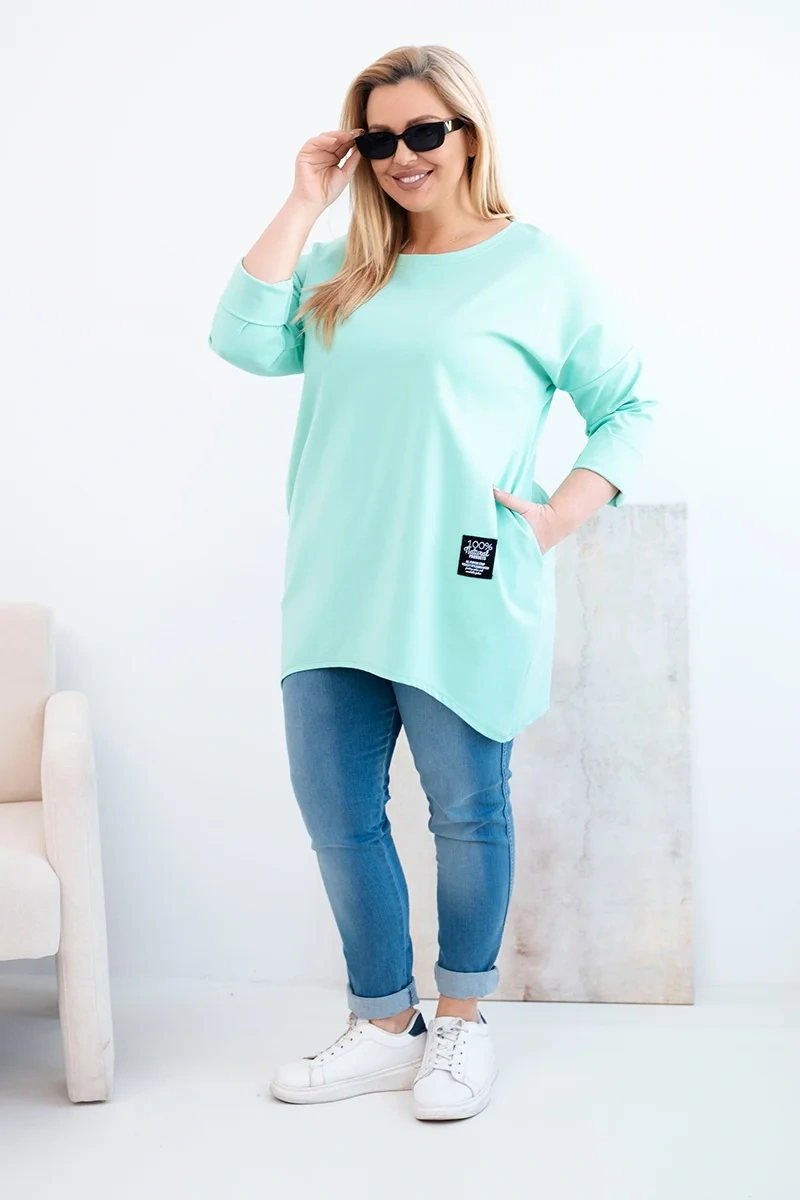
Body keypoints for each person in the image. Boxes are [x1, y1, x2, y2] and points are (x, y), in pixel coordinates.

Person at [208, 43, 657, 1122]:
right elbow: (240, 339)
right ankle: (382, 1025)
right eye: (380, 138)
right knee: (338, 815)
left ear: (467, 134)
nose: (404, 155)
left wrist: (559, 513)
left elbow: (628, 406)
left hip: (462, 585)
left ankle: (459, 1022)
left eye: (424, 131)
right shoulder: (342, 266)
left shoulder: (537, 268)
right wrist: (304, 199)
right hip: (333, 586)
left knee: (466, 811)